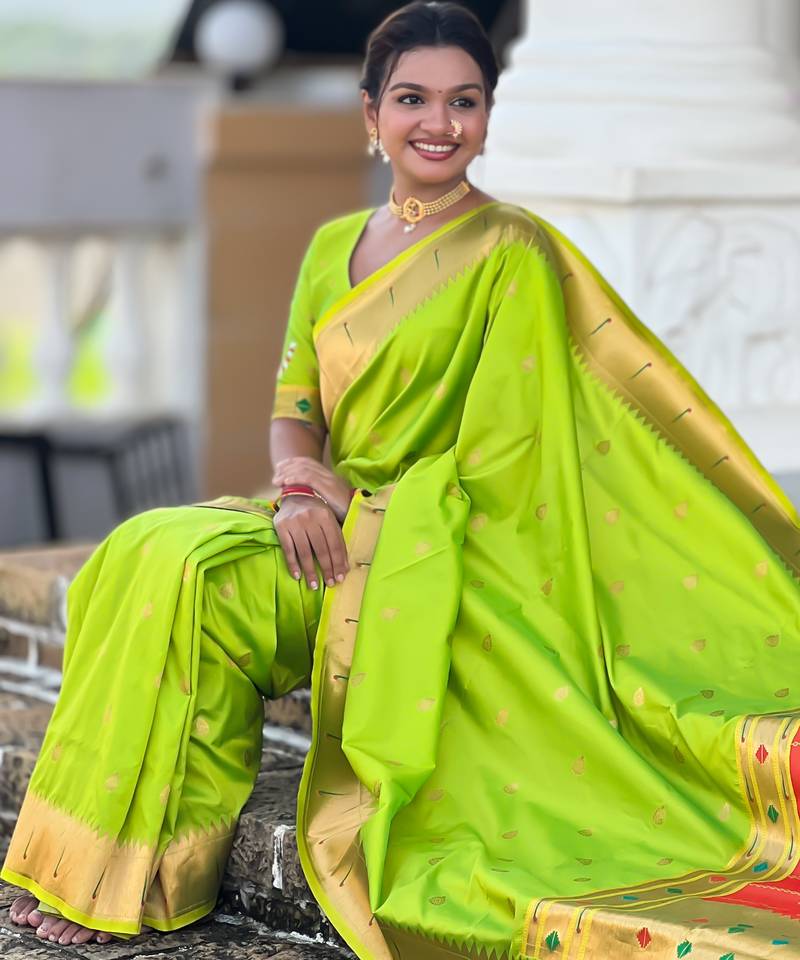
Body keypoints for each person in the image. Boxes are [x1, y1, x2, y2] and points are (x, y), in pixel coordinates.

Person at [6, 1, 800, 956]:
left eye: (465, 101)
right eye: (413, 98)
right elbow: (295, 405)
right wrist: (299, 483)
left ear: (489, 117)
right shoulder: (331, 245)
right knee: (148, 547)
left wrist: (367, 507)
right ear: (370, 113)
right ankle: (110, 866)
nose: (439, 122)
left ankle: (128, 875)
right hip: (320, 522)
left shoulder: (511, 252)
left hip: (419, 553)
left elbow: (513, 463)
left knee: (192, 574)